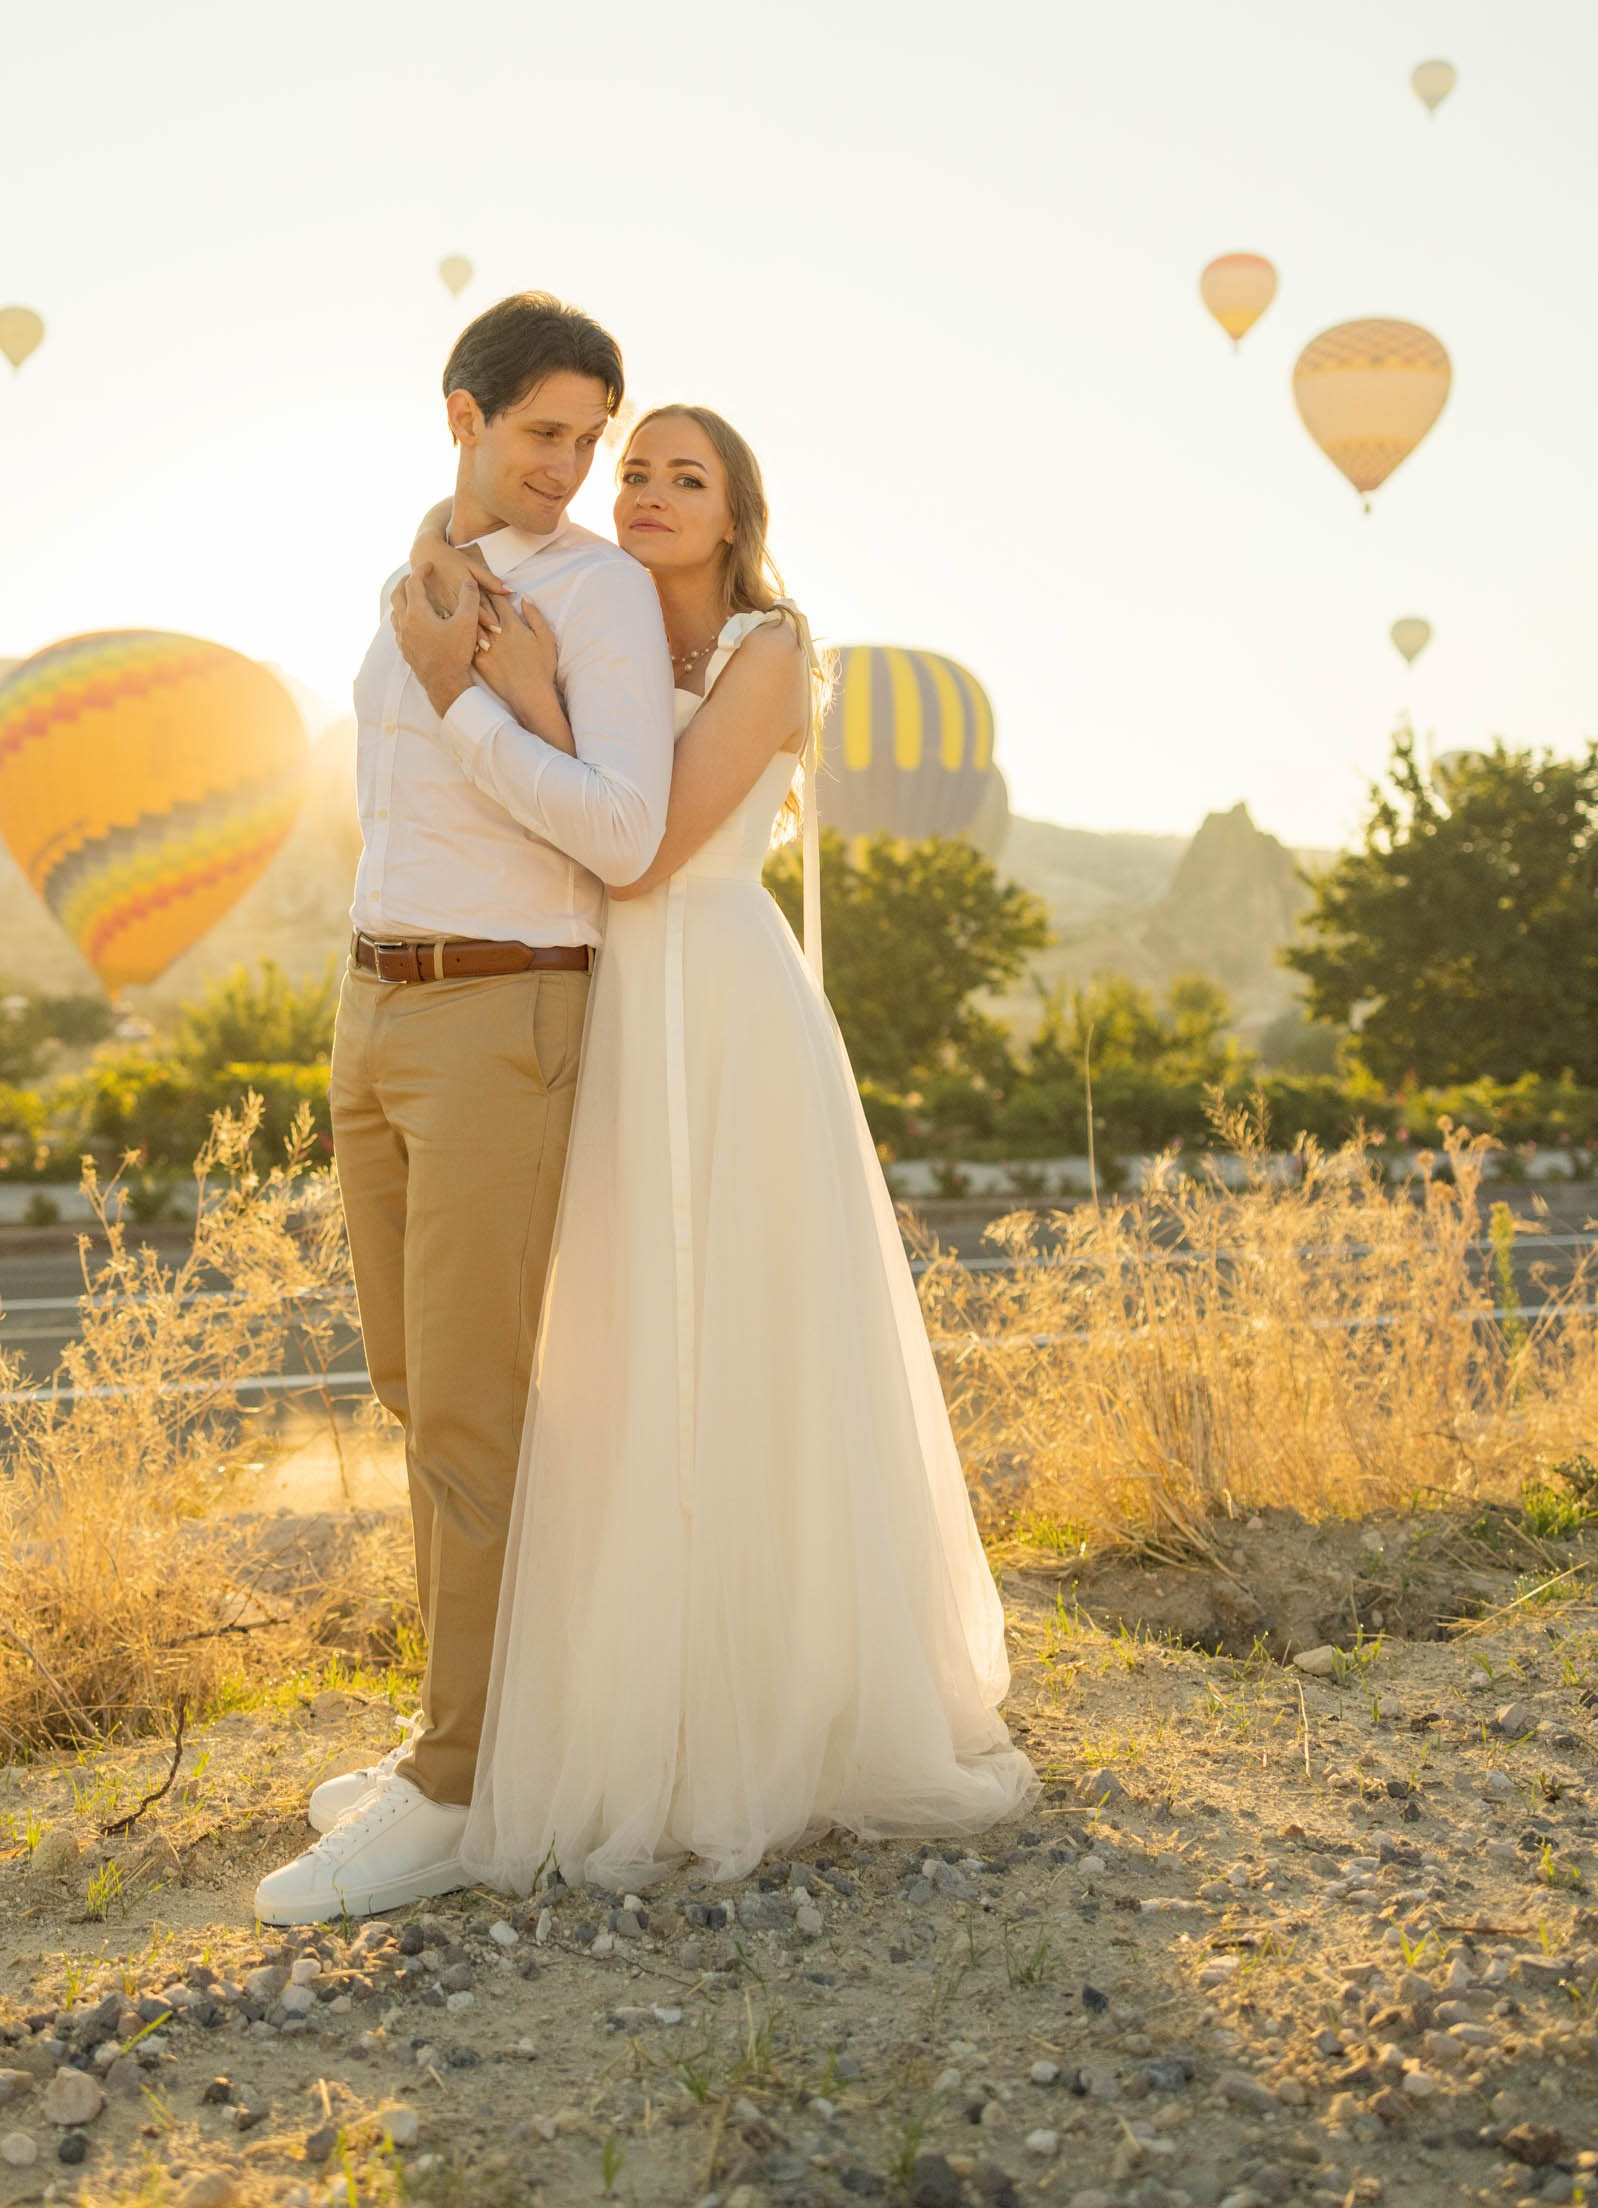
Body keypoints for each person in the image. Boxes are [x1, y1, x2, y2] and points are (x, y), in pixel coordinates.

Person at [448, 404, 1036, 1887]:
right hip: (615, 1008)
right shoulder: (597, 623)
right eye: (629, 470)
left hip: (717, 998)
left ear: (733, 514)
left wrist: (516, 698)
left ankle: (781, 1709)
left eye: (680, 477)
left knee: (759, 1332)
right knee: (629, 1340)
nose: (643, 493)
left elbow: (640, 843)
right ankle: (639, 1701)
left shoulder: (766, 649)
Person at [252, 292, 674, 1925]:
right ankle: (480, 1731)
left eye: (591, 439)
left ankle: (449, 1786)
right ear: (463, 418)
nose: (572, 468)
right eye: (544, 434)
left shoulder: (602, 595)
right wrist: (435, 672)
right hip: (374, 1002)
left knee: (479, 1411)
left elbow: (623, 831)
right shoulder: (413, 572)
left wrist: (470, 699)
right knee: (413, 1388)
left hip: (506, 1007)